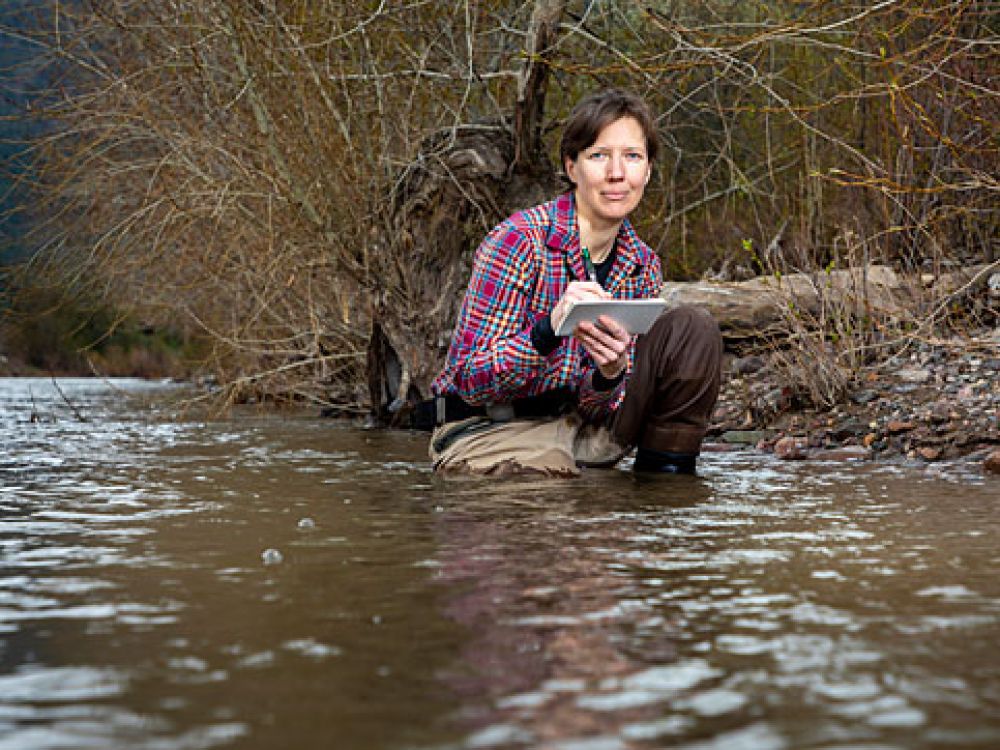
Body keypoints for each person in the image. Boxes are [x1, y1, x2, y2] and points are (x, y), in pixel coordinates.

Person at [429, 89, 722, 476]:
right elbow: (471, 382)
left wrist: (610, 374)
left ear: (648, 170)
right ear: (572, 168)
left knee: (692, 331)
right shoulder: (518, 241)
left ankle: (664, 489)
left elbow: (598, 406)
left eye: (632, 157)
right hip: (490, 428)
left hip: (582, 430)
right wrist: (546, 331)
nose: (617, 173)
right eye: (599, 156)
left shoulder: (642, 264)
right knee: (554, 506)